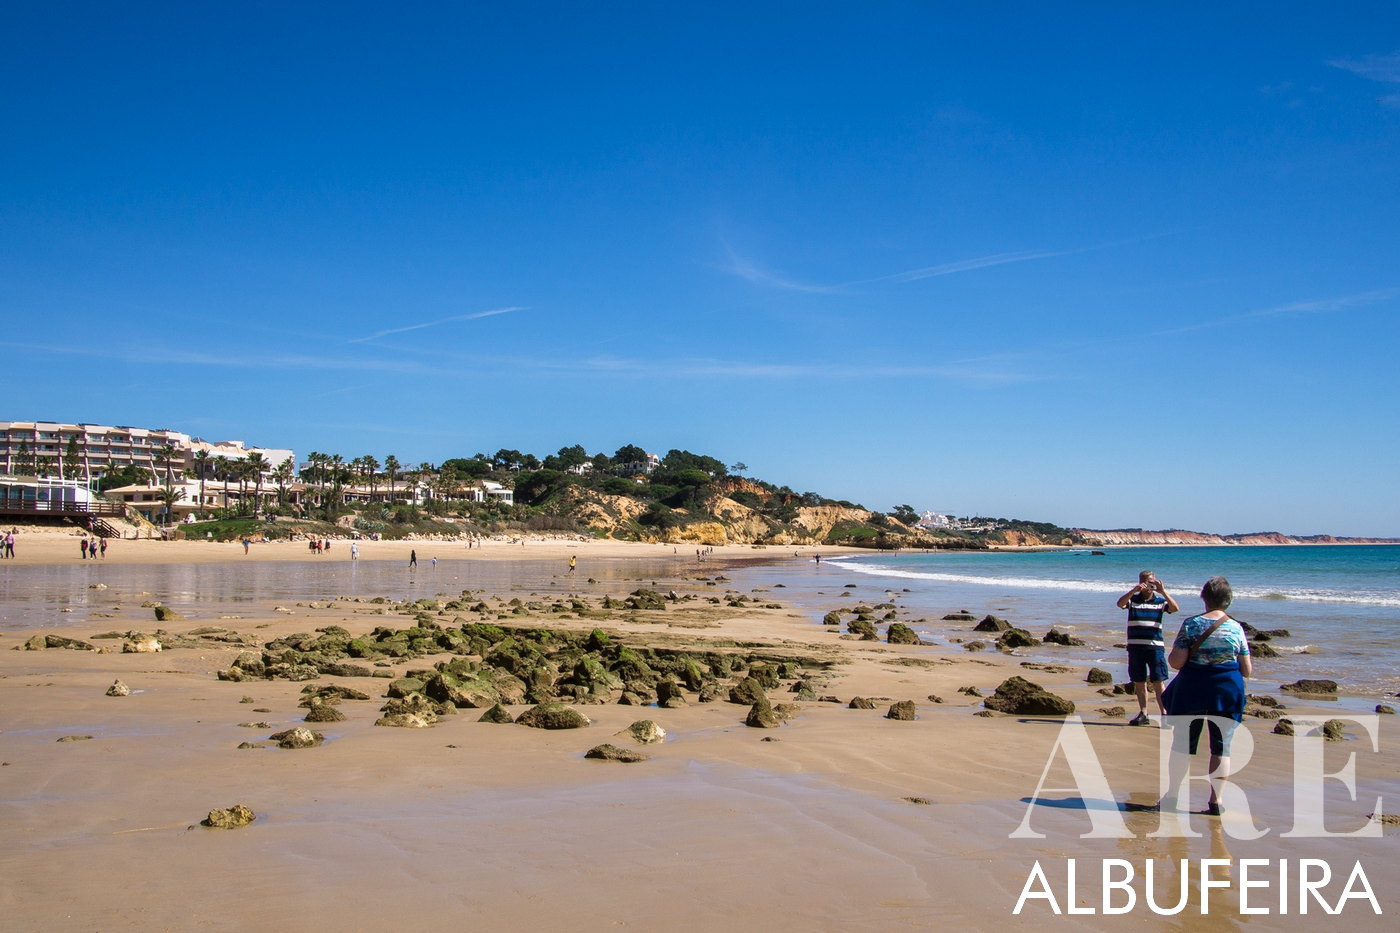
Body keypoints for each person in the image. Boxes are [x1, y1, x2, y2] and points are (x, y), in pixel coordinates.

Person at [1160, 576, 1252, 816]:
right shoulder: (1236, 627)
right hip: (1226, 691)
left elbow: (1176, 663)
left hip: (1192, 690)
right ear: (1229, 600)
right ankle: (1216, 801)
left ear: (1204, 598)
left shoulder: (1191, 625)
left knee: (1182, 746)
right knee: (1222, 749)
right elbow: (1247, 670)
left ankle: (1172, 796)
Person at [1115, 570, 1179, 725]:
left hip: (1154, 648)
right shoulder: (1133, 600)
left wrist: (1163, 591)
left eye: (1150, 581)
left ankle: (1165, 714)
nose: (1147, 584)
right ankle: (1144, 713)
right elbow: (1120, 604)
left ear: (1155, 582)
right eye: (1144, 581)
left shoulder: (1159, 602)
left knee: (1158, 681)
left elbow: (1175, 608)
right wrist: (1133, 590)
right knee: (1139, 681)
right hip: (1135, 648)